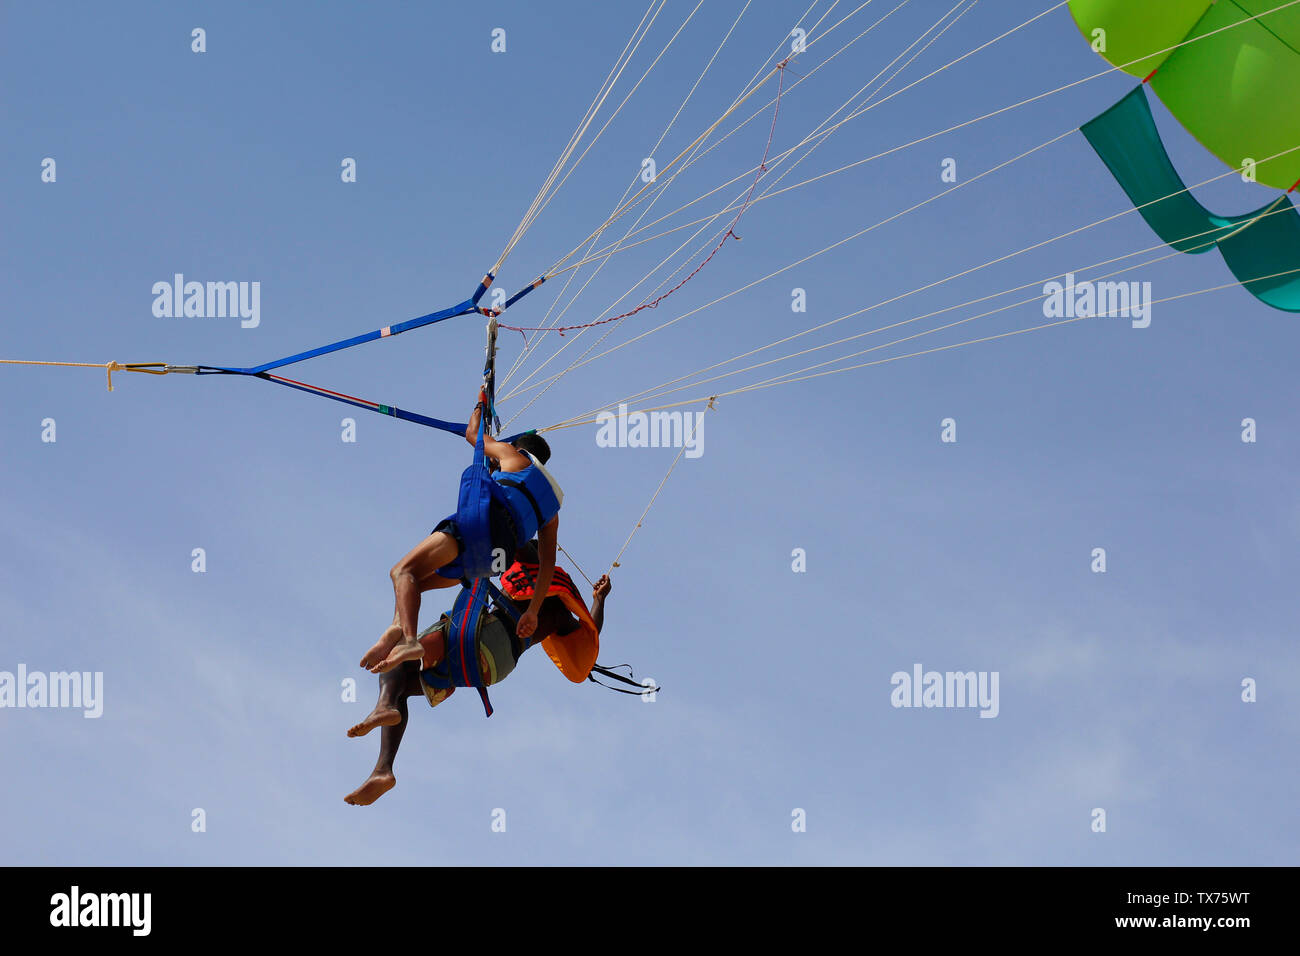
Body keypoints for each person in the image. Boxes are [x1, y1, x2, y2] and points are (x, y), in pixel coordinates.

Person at [344, 547, 610, 806]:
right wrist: (599, 601)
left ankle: (384, 707)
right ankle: (383, 769)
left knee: (395, 660)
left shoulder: (536, 567)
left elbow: (515, 541)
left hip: (479, 636)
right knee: (402, 685)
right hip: (493, 666)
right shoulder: (561, 613)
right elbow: (589, 635)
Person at [360, 390, 563, 675]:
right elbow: (548, 566)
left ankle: (409, 639)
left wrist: (480, 403)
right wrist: (532, 611)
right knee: (412, 583)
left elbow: (472, 434)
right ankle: (397, 628)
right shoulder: (551, 509)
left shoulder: (513, 456)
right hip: (493, 560)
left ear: (519, 447)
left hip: (478, 527)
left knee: (401, 572)